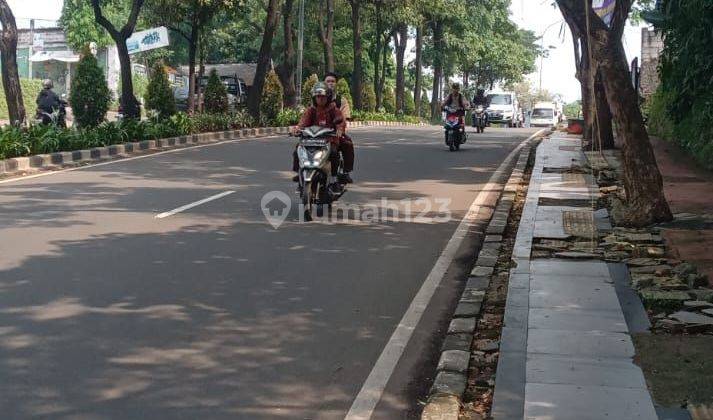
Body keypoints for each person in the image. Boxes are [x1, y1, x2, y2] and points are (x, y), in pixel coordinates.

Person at [291, 83, 353, 186]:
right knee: (298, 149)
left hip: (329, 140)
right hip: (311, 140)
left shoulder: (333, 110)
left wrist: (339, 129)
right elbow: (303, 122)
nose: (320, 99)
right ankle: (300, 172)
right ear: (314, 98)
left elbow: (340, 121)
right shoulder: (311, 110)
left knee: (334, 153)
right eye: (318, 97)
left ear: (328, 97)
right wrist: (297, 129)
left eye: (323, 97)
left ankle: (334, 178)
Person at [324, 72, 354, 183]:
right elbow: (308, 115)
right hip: (318, 133)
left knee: (347, 143)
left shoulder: (341, 100)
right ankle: (302, 172)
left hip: (334, 133)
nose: (330, 83)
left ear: (336, 84)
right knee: (300, 147)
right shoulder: (316, 99)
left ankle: (345, 172)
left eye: (333, 81)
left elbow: (343, 118)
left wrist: (340, 129)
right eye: (328, 81)